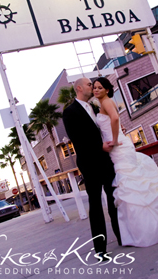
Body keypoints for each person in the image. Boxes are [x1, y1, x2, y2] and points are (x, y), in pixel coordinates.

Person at [92, 77, 158, 247]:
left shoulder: (106, 102)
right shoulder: (104, 102)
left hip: (118, 147)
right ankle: (138, 229)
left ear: (107, 90)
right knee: (131, 184)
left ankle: (146, 230)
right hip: (118, 147)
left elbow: (115, 118)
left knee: (130, 184)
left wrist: (115, 139)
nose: (96, 90)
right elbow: (113, 122)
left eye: (99, 87)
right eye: (94, 87)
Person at [62, 77, 121, 259]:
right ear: (79, 88)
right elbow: (77, 140)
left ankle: (121, 236)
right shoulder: (70, 111)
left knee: (113, 200)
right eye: (90, 85)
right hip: (89, 164)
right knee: (95, 205)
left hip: (105, 161)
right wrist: (99, 146)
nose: (93, 87)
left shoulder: (95, 107)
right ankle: (100, 249)